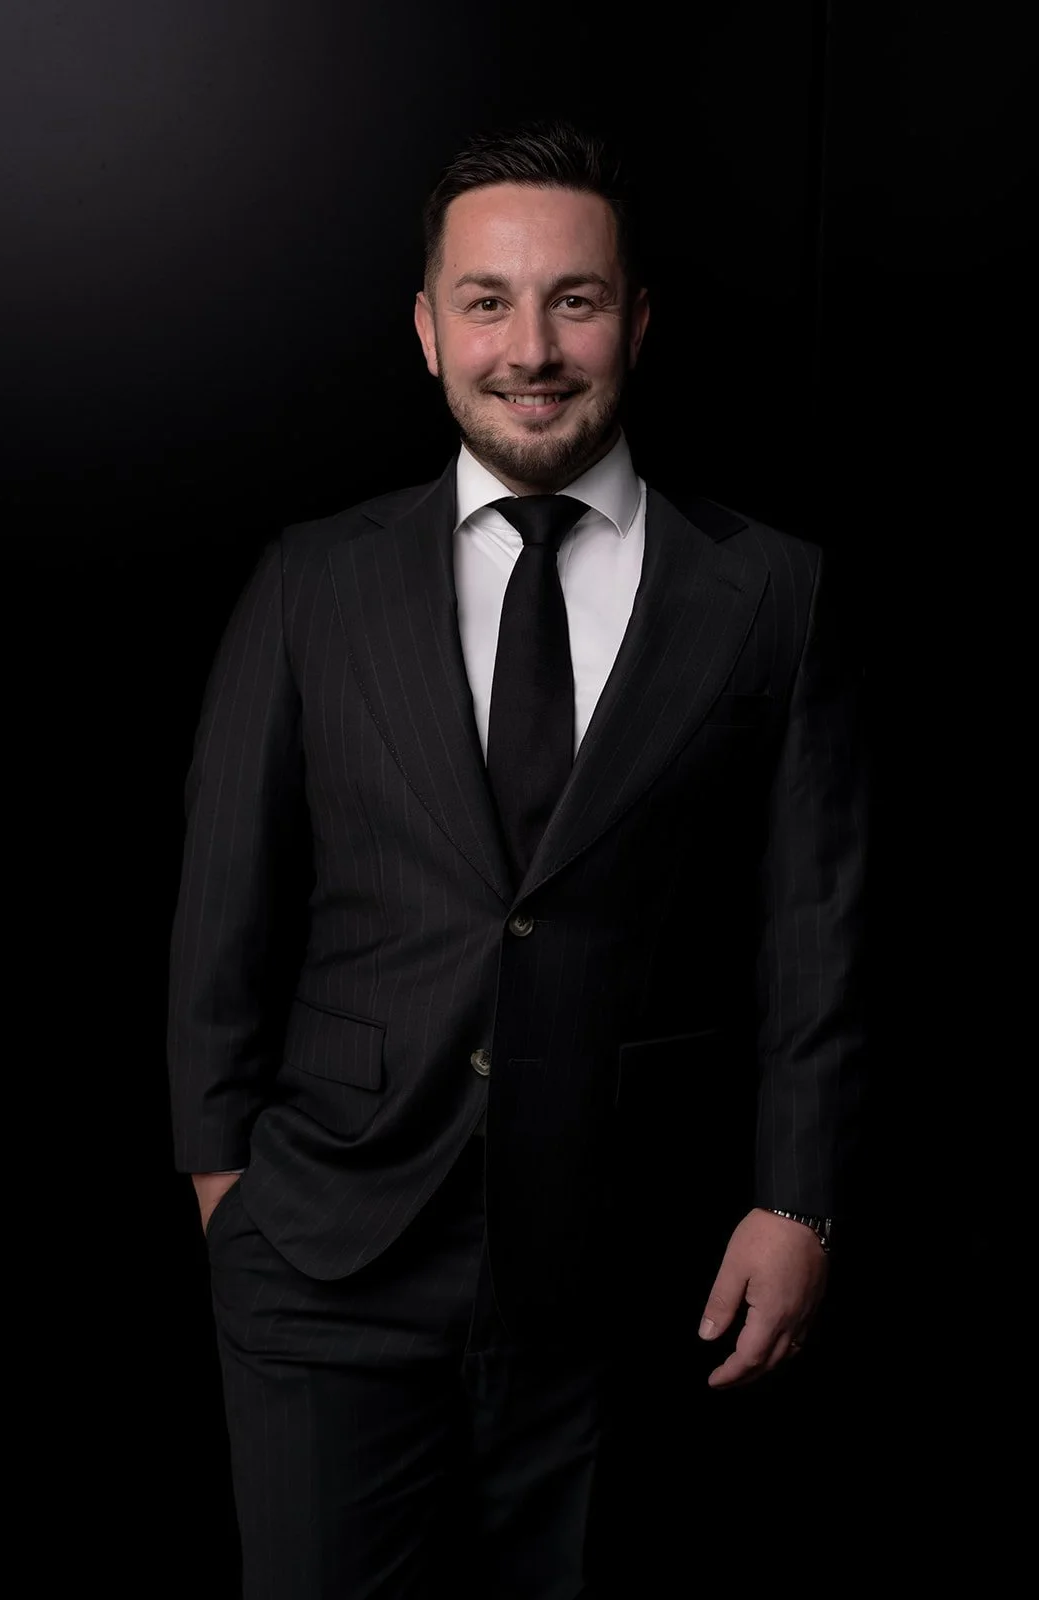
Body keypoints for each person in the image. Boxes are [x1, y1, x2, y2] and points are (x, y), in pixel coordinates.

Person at [167, 117, 867, 1599]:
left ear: (636, 322)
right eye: (486, 301)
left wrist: (793, 1200)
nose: (530, 347)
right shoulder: (311, 582)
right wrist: (228, 1194)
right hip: (325, 1260)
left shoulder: (768, 592)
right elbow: (220, 915)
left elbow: (811, 924)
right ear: (427, 331)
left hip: (637, 1275)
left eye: (576, 299)